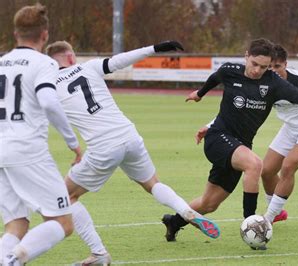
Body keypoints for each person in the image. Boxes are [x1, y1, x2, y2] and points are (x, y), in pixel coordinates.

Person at [45, 40, 220, 265]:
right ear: (71, 57)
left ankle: (99, 254)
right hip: (129, 135)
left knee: (66, 197)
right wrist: (156, 48)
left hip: (103, 146)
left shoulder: (49, 87)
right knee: (152, 184)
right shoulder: (89, 67)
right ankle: (185, 210)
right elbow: (122, 59)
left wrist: (74, 148)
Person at [161, 38, 298, 244]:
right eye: (254, 64)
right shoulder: (230, 70)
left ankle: (174, 222)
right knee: (255, 164)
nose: (257, 70)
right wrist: (200, 94)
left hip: (240, 147)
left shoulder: (273, 82)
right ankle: (252, 225)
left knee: (209, 203)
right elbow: (215, 77)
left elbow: (297, 96)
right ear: (246, 56)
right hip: (218, 138)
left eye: (263, 67)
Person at [195, 45, 298, 226]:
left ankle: (268, 218)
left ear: (286, 65)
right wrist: (210, 125)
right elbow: (234, 110)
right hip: (290, 127)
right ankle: (278, 211)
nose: (271, 71)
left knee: (288, 166)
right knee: (266, 171)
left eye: (277, 66)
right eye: (269, 67)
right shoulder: (266, 81)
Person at [0, 4, 82, 265]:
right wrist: (73, 143)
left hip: (1, 150)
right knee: (63, 223)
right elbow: (48, 102)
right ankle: (13, 261)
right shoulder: (44, 63)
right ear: (45, 35)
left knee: (17, 225)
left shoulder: (1, 62)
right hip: (27, 151)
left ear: (16, 34)